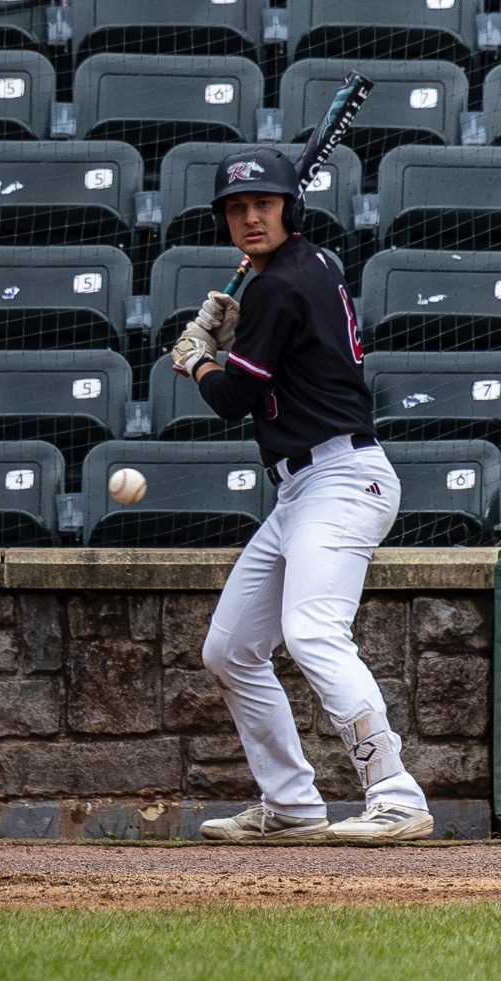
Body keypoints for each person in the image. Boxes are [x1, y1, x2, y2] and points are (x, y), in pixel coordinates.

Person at [171, 149, 431, 843]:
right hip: (302, 489)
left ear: (291, 207)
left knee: (313, 630)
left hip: (341, 479)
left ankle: (395, 792)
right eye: (236, 207)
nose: (251, 216)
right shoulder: (300, 270)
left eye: (264, 202)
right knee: (230, 649)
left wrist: (199, 355)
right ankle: (290, 802)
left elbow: (234, 399)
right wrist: (236, 333)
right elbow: (275, 355)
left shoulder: (280, 286)